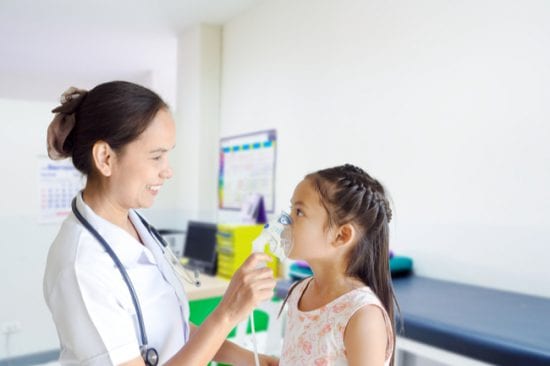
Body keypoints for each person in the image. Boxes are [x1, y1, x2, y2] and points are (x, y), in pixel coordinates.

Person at [43, 81, 279, 366]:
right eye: (156, 156)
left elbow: (173, 330)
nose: (168, 171)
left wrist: (260, 361)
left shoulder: (135, 225)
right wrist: (227, 313)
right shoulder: (81, 268)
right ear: (105, 158)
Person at [279, 164, 397, 366]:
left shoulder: (362, 315)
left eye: (299, 212)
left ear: (341, 236)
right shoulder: (299, 292)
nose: (285, 220)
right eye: (291, 208)